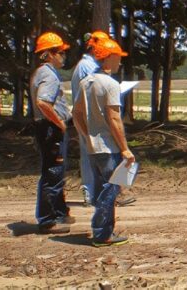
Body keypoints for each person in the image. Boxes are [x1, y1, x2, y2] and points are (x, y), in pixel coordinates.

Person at [72, 37, 134, 246]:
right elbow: (114, 118)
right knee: (111, 188)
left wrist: (85, 134)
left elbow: (76, 113)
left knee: (101, 188)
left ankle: (103, 231)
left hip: (92, 146)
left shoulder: (85, 82)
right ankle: (102, 233)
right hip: (109, 147)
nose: (119, 61)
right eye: (117, 57)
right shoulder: (110, 84)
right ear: (108, 57)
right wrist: (125, 149)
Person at [30, 32, 75, 234]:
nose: (63, 56)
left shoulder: (40, 72)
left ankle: (57, 212)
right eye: (60, 52)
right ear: (49, 54)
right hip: (51, 129)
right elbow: (42, 102)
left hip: (47, 127)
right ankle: (48, 220)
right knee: (53, 172)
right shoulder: (48, 74)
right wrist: (60, 123)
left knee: (53, 170)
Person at [70, 31, 109, 207]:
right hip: (90, 118)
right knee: (94, 154)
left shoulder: (86, 65)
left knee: (92, 154)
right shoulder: (88, 67)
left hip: (89, 117)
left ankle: (94, 192)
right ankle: (94, 193)